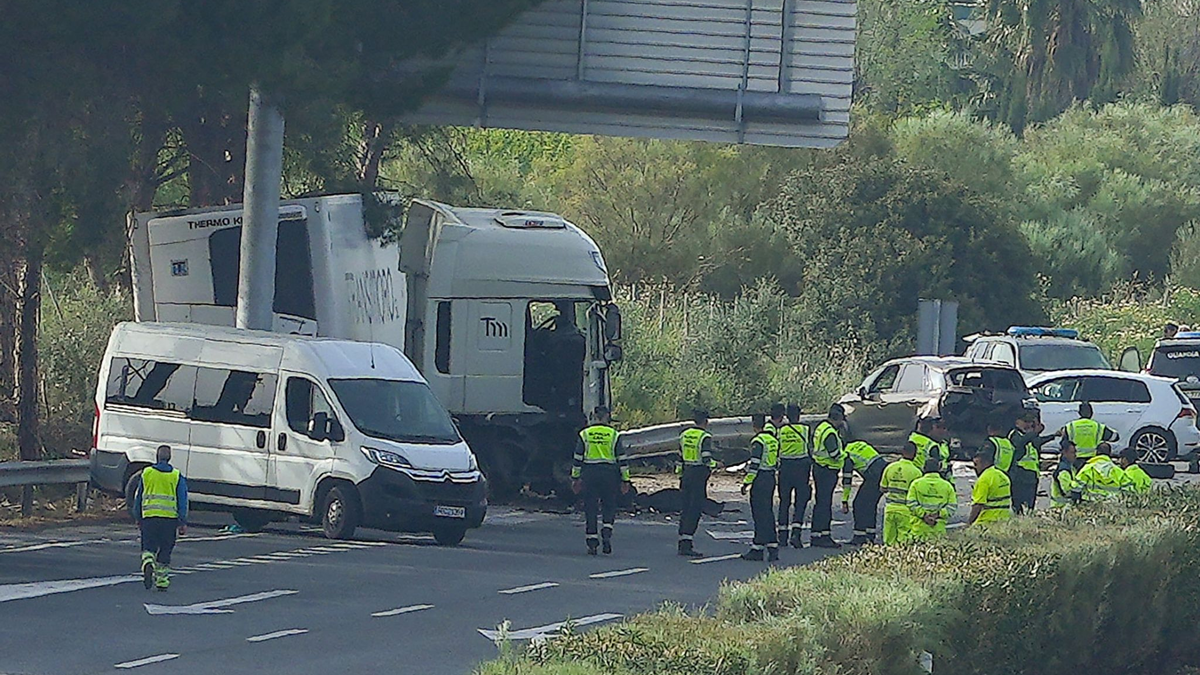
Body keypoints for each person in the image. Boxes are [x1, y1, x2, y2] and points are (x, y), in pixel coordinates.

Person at [571, 406, 631, 555]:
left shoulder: (585, 434)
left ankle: (592, 542)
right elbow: (622, 459)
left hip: (590, 473)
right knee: (609, 505)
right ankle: (607, 532)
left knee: (590, 507)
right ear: (607, 417)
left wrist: (575, 478)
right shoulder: (614, 434)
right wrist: (625, 480)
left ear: (594, 416)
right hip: (609, 474)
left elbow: (578, 458)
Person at [132, 445, 188, 591]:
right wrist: (182, 521)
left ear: (156, 457)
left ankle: (148, 562)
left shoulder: (146, 473)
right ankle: (162, 581)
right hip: (169, 520)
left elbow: (139, 497)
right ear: (170, 458)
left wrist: (137, 516)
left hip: (149, 517)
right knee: (165, 549)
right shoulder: (176, 476)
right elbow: (182, 500)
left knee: (148, 546)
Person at [741, 413, 780, 561]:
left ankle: (757, 548)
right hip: (770, 477)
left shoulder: (758, 441)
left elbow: (754, 465)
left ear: (754, 425)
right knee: (767, 512)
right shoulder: (773, 440)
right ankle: (772, 547)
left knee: (759, 514)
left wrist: (746, 482)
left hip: (760, 479)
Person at [677, 409, 715, 557]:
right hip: (698, 474)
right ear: (706, 421)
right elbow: (706, 459)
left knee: (685, 507)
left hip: (686, 473)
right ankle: (687, 542)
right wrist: (716, 464)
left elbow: (679, 457)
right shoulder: (705, 437)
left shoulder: (684, 435)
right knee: (695, 508)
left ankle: (682, 541)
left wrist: (680, 475)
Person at [809, 404, 847, 548]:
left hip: (819, 467)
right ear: (838, 418)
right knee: (825, 504)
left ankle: (815, 535)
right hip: (827, 470)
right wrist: (846, 455)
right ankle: (824, 536)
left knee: (820, 503)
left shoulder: (821, 427)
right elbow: (835, 454)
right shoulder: (830, 433)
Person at [776, 403, 812, 548]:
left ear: (786, 416)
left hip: (785, 467)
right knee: (800, 502)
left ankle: (782, 536)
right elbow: (810, 448)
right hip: (802, 467)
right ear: (799, 415)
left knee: (784, 502)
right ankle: (796, 535)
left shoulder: (780, 430)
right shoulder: (805, 429)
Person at [841, 440, 885, 545]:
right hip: (884, 470)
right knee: (870, 504)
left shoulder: (846, 456)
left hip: (873, 475)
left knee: (858, 504)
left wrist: (844, 500)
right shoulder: (857, 444)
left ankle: (859, 536)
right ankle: (870, 535)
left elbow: (847, 481)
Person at [880, 442, 923, 545]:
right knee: (904, 542)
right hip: (905, 511)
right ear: (915, 454)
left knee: (888, 540)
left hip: (890, 509)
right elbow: (918, 494)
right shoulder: (916, 472)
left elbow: (882, 488)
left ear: (902, 452)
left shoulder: (890, 467)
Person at [1007, 410, 1049, 514]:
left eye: (1030, 422)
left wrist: (1053, 436)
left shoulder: (1030, 435)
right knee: (1018, 504)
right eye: (1025, 421)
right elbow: (1020, 443)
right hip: (1020, 474)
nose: (1028, 424)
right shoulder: (1015, 434)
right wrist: (1035, 432)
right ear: (1017, 422)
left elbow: (1038, 442)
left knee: (1030, 506)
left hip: (1032, 475)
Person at [906, 458, 957, 541]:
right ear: (939, 468)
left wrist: (924, 515)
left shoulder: (916, 484)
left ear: (924, 468)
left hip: (919, 529)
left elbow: (911, 503)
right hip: (938, 530)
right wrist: (937, 515)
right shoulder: (947, 486)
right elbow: (952, 507)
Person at [968, 446, 1012, 526]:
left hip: (986, 521)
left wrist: (969, 523)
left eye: (976, 464)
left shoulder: (984, 479)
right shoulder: (1003, 476)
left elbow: (978, 506)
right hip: (1003, 520)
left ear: (985, 463)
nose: (975, 468)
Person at [910, 417, 952, 484]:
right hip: (932, 478)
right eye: (939, 428)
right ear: (931, 430)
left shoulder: (913, 438)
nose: (944, 431)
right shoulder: (932, 446)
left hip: (913, 475)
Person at [1049, 441, 1083, 509]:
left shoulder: (1071, 467)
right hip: (1060, 507)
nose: (1075, 455)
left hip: (1065, 506)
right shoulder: (1063, 470)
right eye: (1072, 452)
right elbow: (1067, 491)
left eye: (1075, 452)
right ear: (1064, 453)